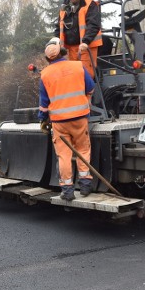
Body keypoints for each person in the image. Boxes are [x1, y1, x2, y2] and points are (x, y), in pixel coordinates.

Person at [37, 38, 95, 201]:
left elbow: (43, 104)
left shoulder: (45, 74)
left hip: (59, 122)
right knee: (83, 150)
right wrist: (86, 101)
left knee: (64, 155)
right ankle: (85, 186)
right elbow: (91, 87)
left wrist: (42, 119)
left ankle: (67, 190)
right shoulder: (77, 66)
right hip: (80, 118)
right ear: (63, 51)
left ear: (47, 57)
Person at [54, 0, 103, 79]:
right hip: (71, 49)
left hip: (86, 47)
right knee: (74, 77)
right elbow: (58, 28)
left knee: (86, 76)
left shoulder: (90, 5)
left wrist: (86, 42)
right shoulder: (64, 9)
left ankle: (88, 94)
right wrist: (54, 43)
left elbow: (93, 25)